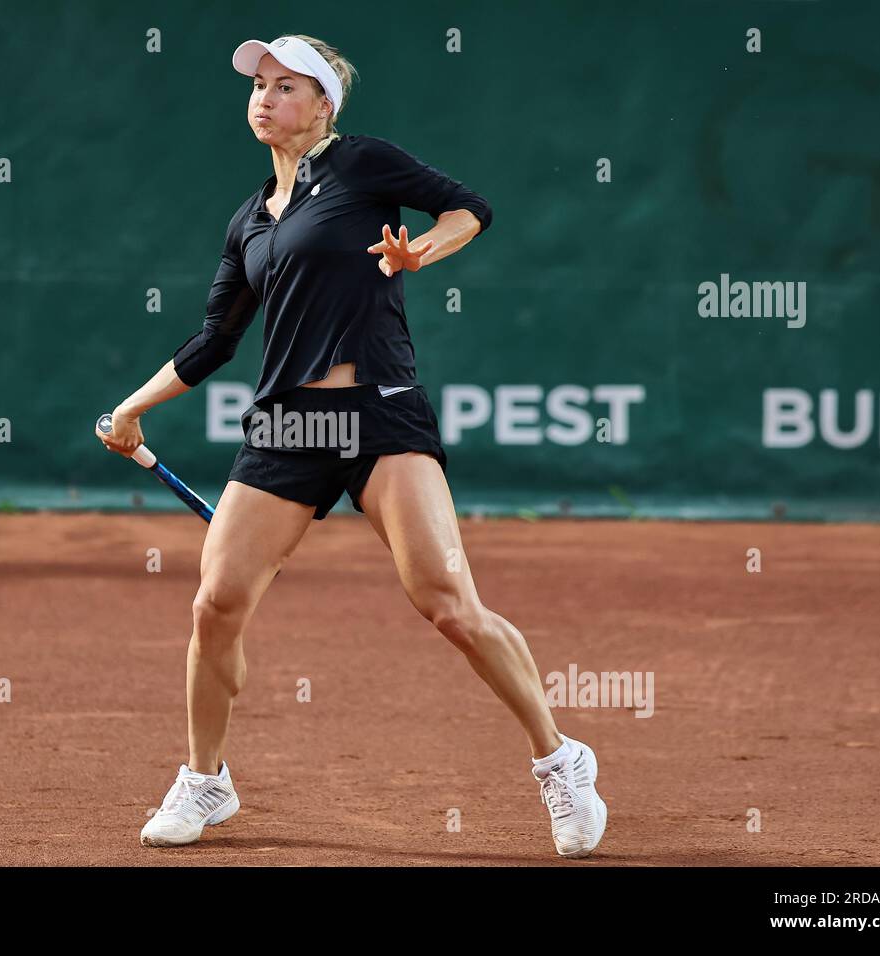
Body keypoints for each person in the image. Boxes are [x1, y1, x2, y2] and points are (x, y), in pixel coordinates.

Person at [98, 34, 607, 858]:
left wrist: (421, 252)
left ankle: (561, 761)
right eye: (259, 85)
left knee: (446, 600)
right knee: (215, 606)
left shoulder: (364, 163)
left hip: (379, 412)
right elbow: (213, 342)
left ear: (325, 103)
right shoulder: (248, 221)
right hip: (288, 428)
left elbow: (470, 207)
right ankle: (206, 781)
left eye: (286, 85)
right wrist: (131, 407)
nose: (265, 98)